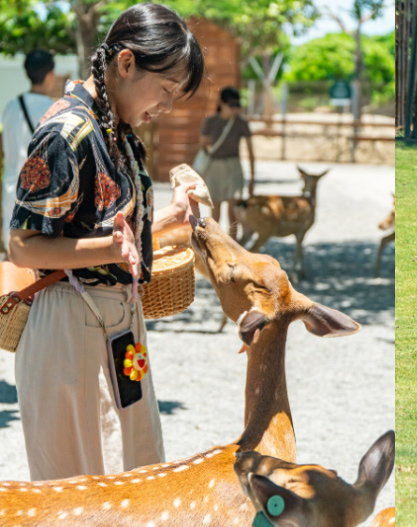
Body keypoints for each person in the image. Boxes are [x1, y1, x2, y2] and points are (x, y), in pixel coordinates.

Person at [7, 3, 204, 481]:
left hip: (117, 328)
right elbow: (21, 246)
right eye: (166, 89)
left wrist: (173, 218)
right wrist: (111, 251)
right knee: (83, 491)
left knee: (135, 476)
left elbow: (105, 232)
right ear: (126, 63)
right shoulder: (66, 132)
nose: (168, 106)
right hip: (69, 330)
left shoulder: (116, 129)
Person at [1, 49, 56, 252]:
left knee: (12, 256)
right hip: (39, 194)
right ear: (50, 74)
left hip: (10, 190)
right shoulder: (54, 110)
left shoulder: (11, 107)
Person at [198, 86, 255, 239]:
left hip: (234, 166)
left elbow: (250, 152)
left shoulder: (241, 123)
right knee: (215, 213)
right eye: (231, 105)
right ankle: (214, 246)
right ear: (221, 103)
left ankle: (233, 248)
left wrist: (252, 178)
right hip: (215, 168)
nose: (234, 109)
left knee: (233, 212)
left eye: (237, 105)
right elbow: (203, 144)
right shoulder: (210, 122)